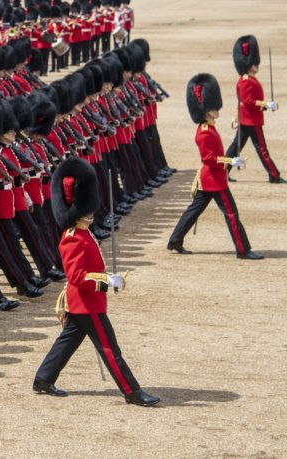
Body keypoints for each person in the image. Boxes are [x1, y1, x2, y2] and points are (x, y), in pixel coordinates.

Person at [33, 158, 157, 408]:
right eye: (86, 209)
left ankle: (43, 379)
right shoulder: (72, 239)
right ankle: (131, 391)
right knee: (110, 349)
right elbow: (77, 276)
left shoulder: (82, 233)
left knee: (68, 340)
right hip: (85, 303)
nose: (91, 213)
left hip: (85, 302)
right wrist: (106, 281)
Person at [168, 74, 263, 260]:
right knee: (231, 214)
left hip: (211, 179)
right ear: (206, 111)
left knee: (194, 210)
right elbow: (209, 158)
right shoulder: (204, 133)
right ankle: (243, 250)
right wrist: (230, 161)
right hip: (214, 180)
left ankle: (175, 240)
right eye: (212, 108)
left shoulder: (209, 127)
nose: (216, 110)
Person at [224, 35, 281, 183]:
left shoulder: (247, 80)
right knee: (261, 149)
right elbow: (248, 101)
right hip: (251, 120)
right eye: (255, 63)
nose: (257, 65)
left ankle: (222, 172)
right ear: (249, 64)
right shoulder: (246, 81)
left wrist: (266, 105)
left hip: (248, 119)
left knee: (234, 148)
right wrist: (266, 104)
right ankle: (273, 175)